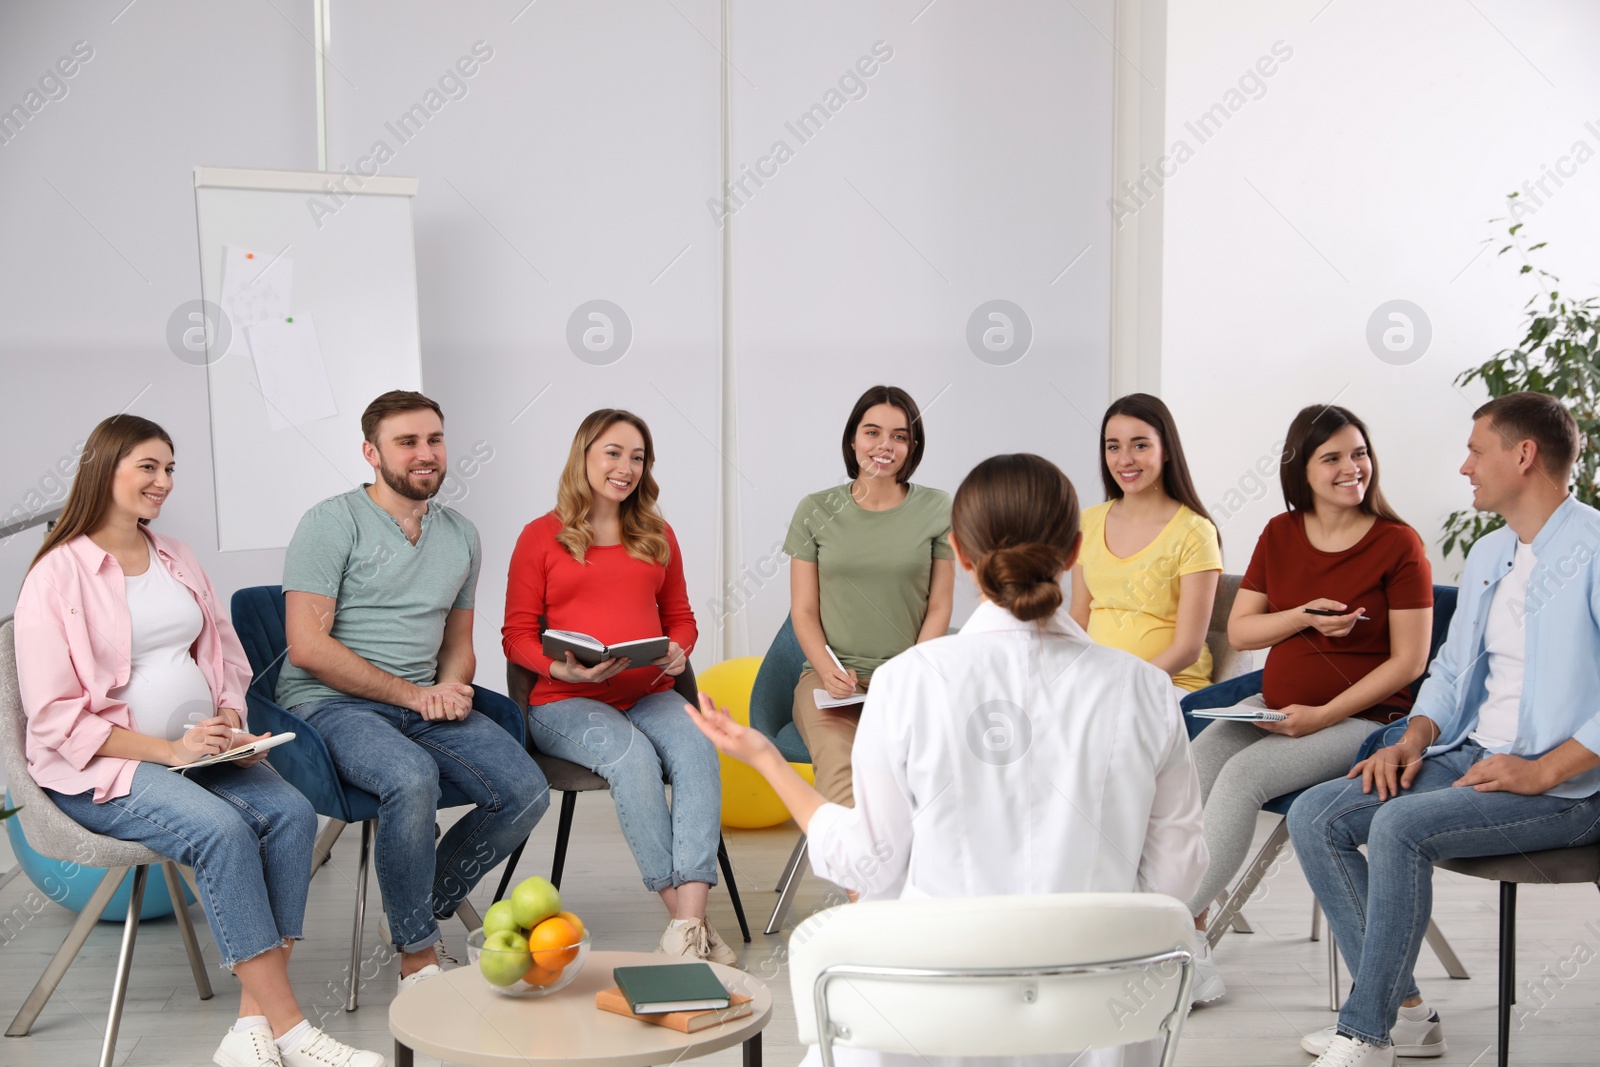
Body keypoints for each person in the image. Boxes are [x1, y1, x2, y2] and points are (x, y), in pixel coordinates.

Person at [687, 453, 1207, 1067]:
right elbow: (1177, 883)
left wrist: (767, 760)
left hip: (931, 1026)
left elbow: (868, 864)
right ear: (1075, 551)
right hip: (1097, 1031)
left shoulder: (909, 682)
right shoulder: (1145, 689)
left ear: (960, 554)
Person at [14, 415, 385, 1067]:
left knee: (293, 813)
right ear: (105, 469)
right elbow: (53, 717)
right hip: (108, 769)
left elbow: (224, 652)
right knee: (223, 830)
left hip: (199, 752)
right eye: (148, 467)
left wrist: (224, 719)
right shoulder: (56, 575)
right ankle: (296, 1030)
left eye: (170, 468)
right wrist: (170, 751)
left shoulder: (175, 555)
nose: (163, 481)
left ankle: (250, 1026)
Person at [1289, 393, 1600, 1067]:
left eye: (1476, 450)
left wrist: (1543, 769)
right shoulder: (1491, 552)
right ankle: (1407, 1017)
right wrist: (1413, 736)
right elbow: (1454, 671)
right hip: (1472, 756)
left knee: (1400, 827)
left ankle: (1365, 1033)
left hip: (1567, 789)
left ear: (1524, 455)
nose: (1464, 467)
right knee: (1316, 814)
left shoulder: (1596, 548)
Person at [277, 391, 547, 990]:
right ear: (372, 452)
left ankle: (413, 908)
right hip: (331, 704)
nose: (425, 454)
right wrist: (414, 695)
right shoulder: (331, 521)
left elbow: (457, 640)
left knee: (527, 790)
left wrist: (451, 685)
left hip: (421, 701)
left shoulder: (462, 535)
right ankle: (418, 954)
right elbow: (307, 647)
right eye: (407, 442)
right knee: (410, 777)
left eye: (434, 440)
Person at [1186, 405, 1434, 1004]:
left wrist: (1322, 716)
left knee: (1243, 776)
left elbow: (1410, 662)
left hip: (1364, 722)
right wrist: (1303, 619)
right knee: (1194, 765)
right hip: (1273, 708)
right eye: (1333, 458)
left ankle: (1153, 932)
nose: (1353, 468)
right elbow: (1242, 633)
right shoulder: (1280, 532)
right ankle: (1183, 929)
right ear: (1303, 469)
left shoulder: (1398, 543)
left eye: (1359, 453)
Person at [502, 409, 734, 964]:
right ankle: (686, 922)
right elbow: (516, 634)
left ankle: (689, 921)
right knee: (631, 760)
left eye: (637, 457)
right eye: (613, 453)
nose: (625, 467)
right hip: (566, 700)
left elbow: (680, 616)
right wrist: (562, 670)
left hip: (648, 690)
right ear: (584, 455)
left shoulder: (657, 533)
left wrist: (680, 647)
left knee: (699, 745)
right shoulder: (540, 537)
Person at [784, 384, 954, 809]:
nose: (885, 445)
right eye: (872, 432)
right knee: (843, 779)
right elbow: (803, 611)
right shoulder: (815, 509)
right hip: (831, 685)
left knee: (924, 783)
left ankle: (912, 874)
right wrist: (826, 672)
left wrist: (909, 677)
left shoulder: (939, 509)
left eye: (900, 436)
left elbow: (940, 607)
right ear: (852, 440)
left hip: (910, 684)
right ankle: (860, 875)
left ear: (912, 448)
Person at [1070, 393, 1221, 694]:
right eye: (1113, 447)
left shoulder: (1195, 532)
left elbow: (1188, 649)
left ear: (1166, 450)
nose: (1125, 460)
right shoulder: (1087, 522)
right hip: (1099, 683)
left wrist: (1121, 687)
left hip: (1168, 685)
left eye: (1140, 445)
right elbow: (1079, 616)